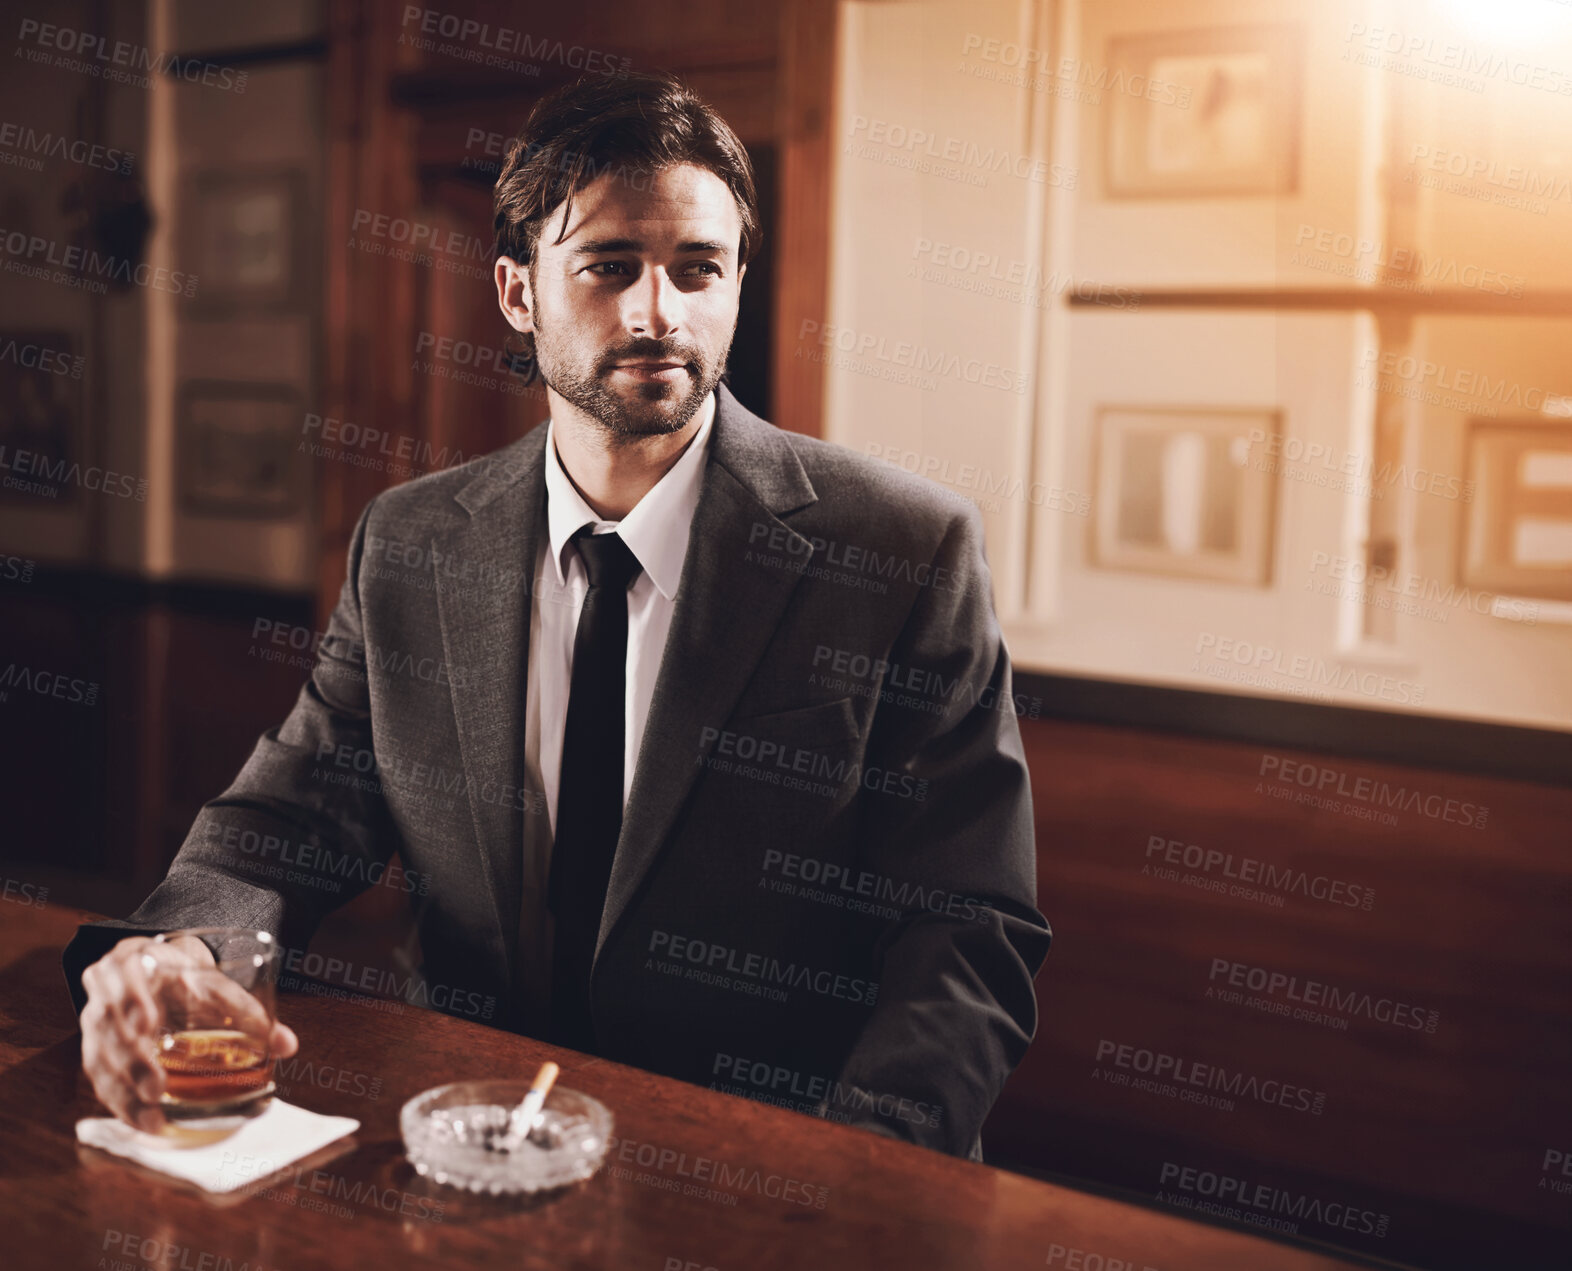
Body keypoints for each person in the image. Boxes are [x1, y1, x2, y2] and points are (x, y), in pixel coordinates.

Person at [63, 71, 1051, 1160]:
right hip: (465, 1137)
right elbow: (285, 822)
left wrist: (862, 1169)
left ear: (737, 285)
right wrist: (180, 951)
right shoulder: (409, 542)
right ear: (517, 291)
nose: (658, 313)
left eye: (698, 268)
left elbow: (967, 928)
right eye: (609, 265)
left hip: (769, 1165)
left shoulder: (902, 550)